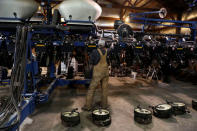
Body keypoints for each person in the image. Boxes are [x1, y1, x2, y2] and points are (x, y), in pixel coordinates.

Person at [82, 39, 109, 111]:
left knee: (92, 89)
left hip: (98, 73)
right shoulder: (107, 51)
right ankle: (104, 105)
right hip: (106, 72)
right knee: (104, 89)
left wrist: (89, 71)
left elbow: (91, 63)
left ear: (98, 44)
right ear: (104, 45)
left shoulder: (95, 52)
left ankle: (88, 106)